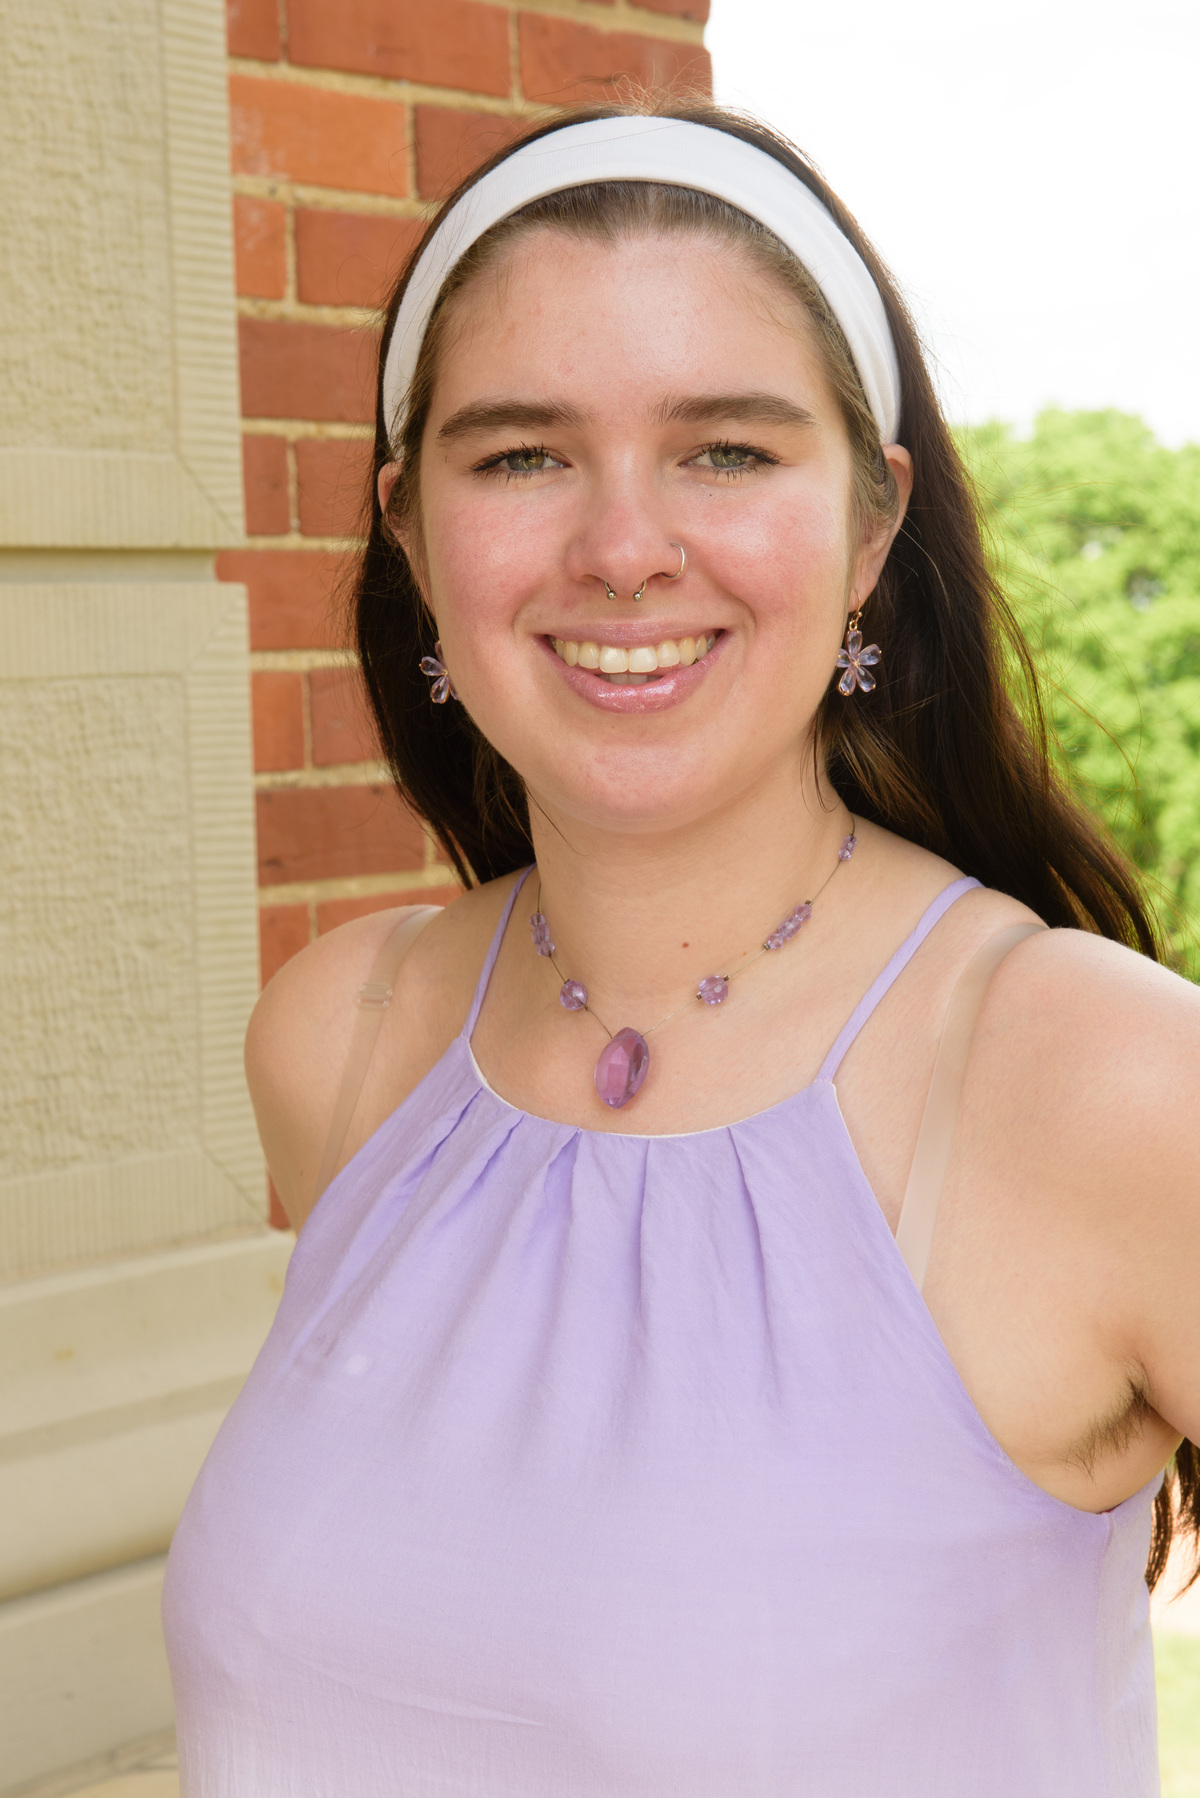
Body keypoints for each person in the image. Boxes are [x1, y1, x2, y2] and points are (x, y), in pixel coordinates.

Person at [162, 99, 1200, 1796]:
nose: (625, 545)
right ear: (411, 534)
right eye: (520, 454)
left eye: (726, 448)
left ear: (872, 526)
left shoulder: (1106, 1084)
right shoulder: (343, 1037)